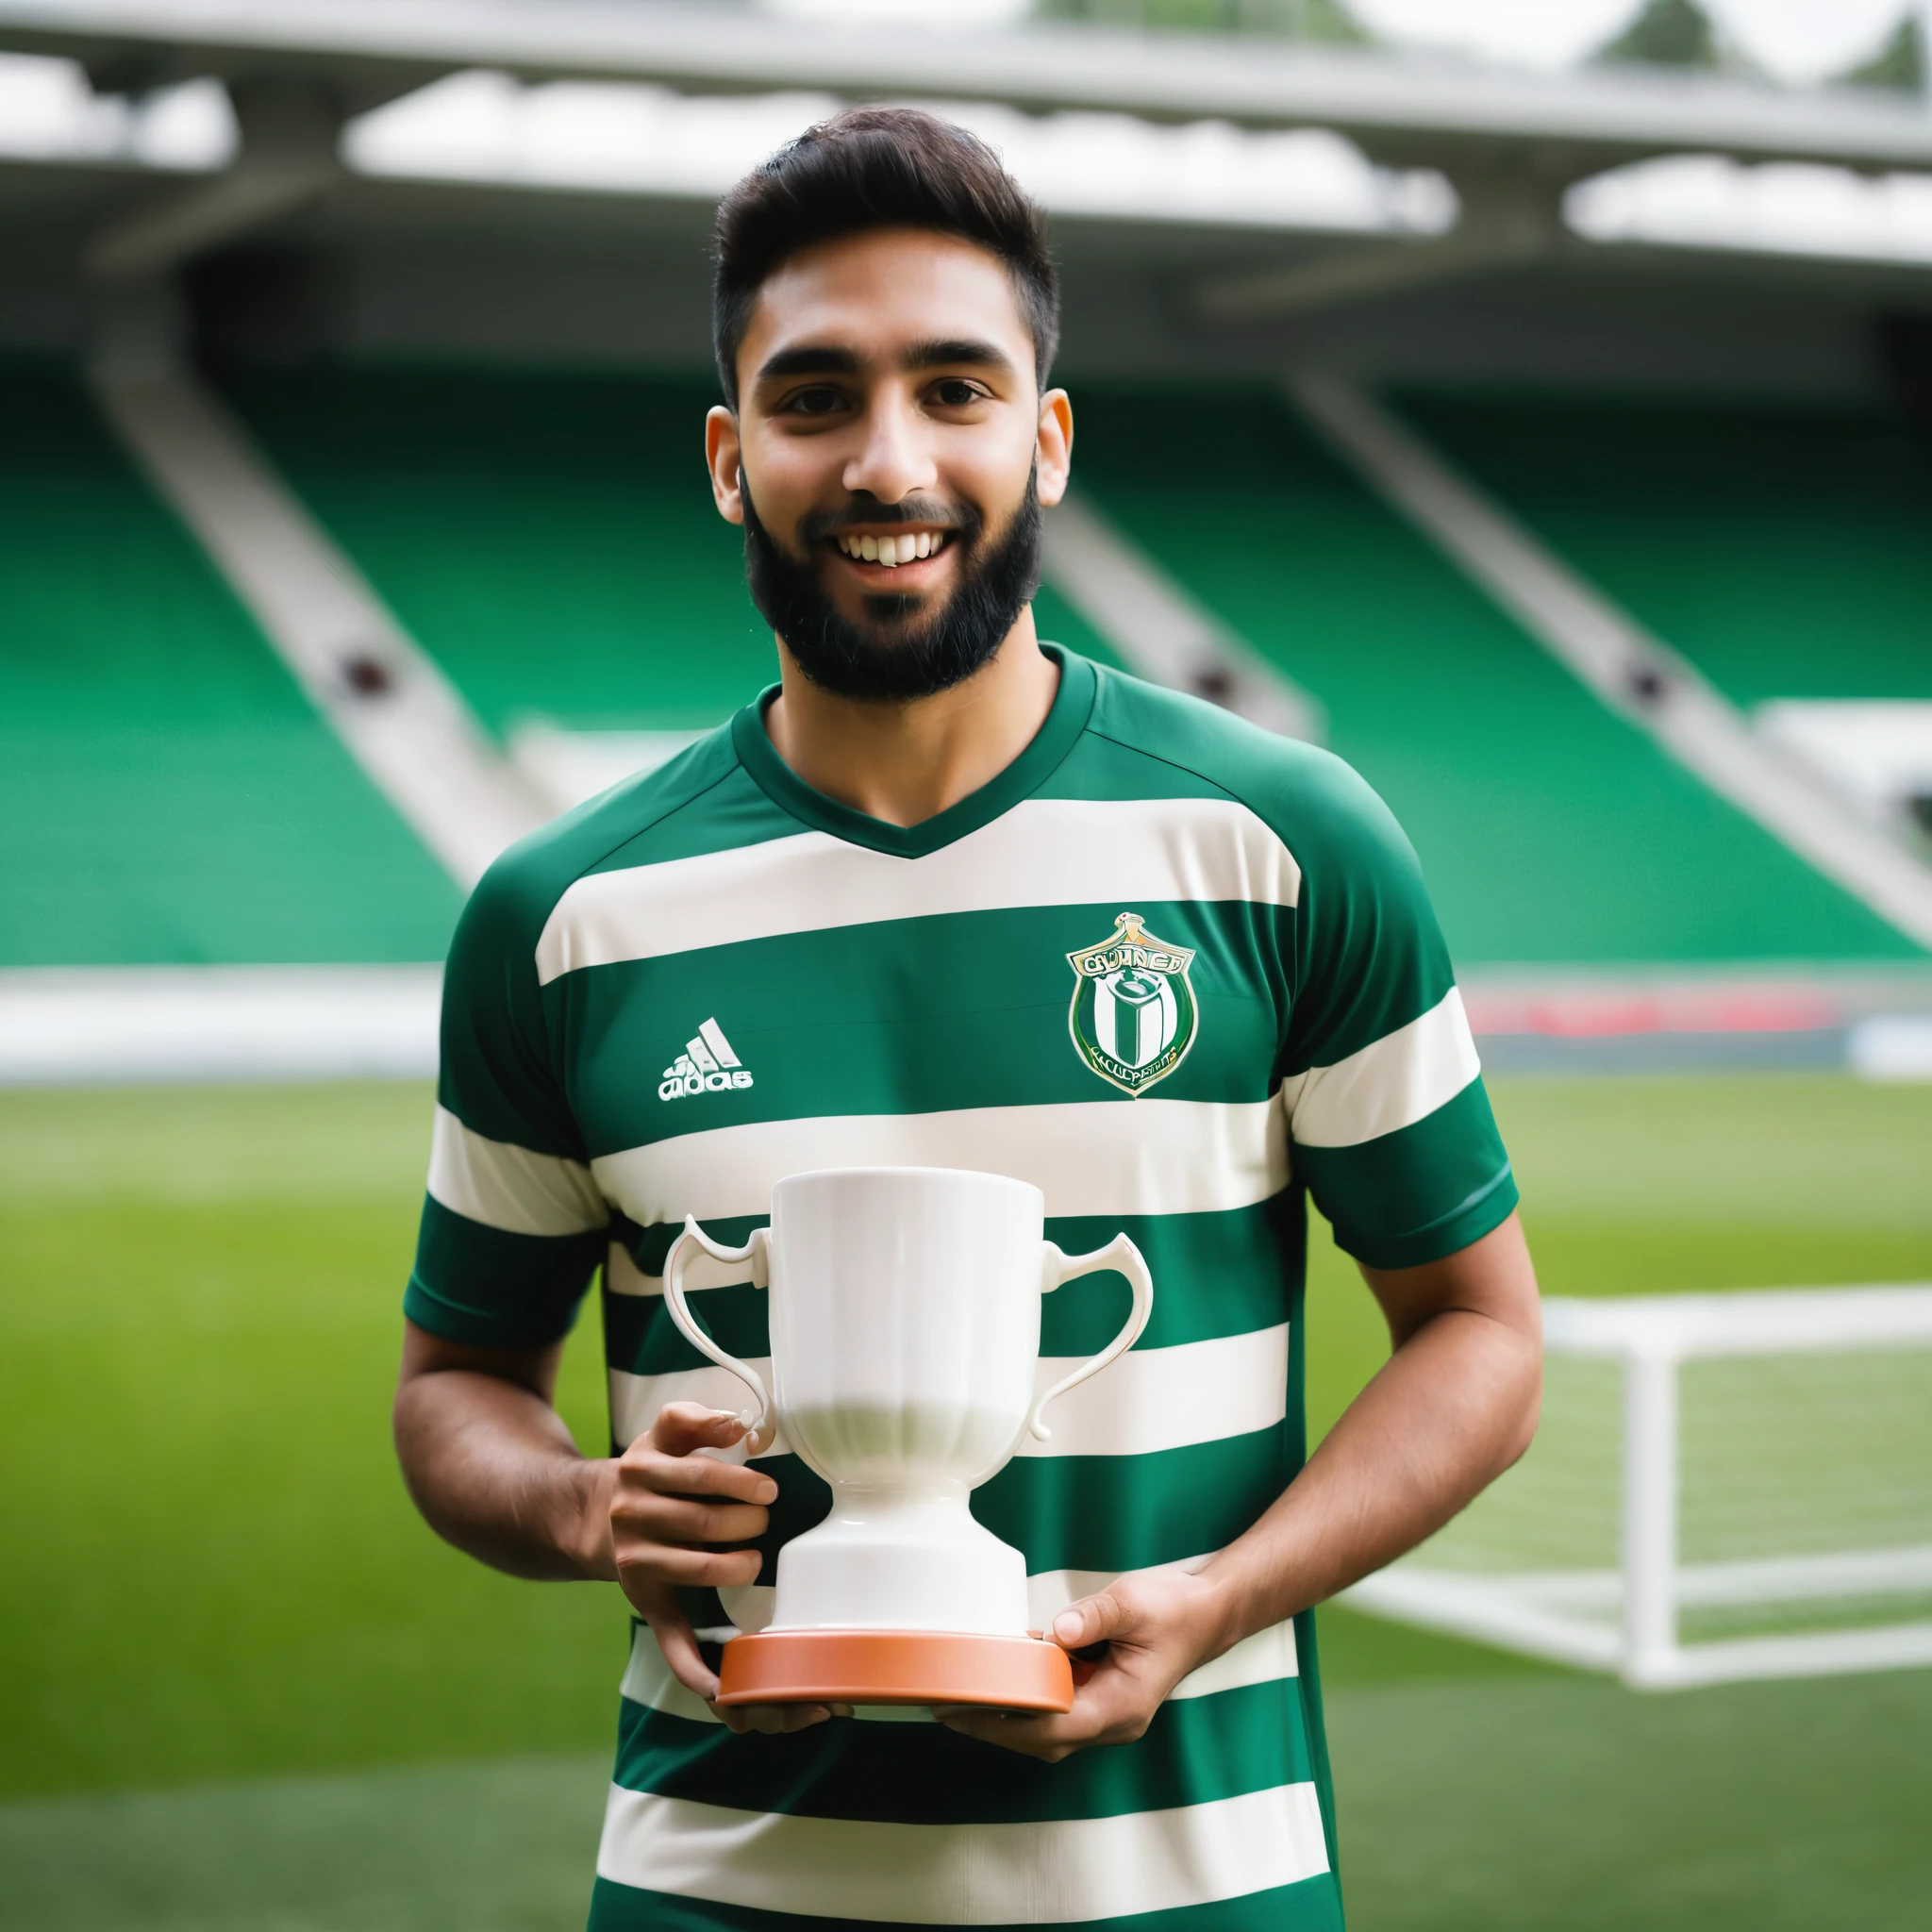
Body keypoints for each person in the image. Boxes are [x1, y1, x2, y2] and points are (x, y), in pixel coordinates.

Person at [393, 106, 1541, 1932]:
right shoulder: (563, 913)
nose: (886, 459)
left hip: (1194, 1884)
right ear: (725, 454)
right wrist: (584, 1507)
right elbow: (453, 1390)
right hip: (716, 1881)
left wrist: (1221, 1597)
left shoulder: (1277, 845)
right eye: (814, 396)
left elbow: (1480, 1338)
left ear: (1046, 437)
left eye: (954, 387)